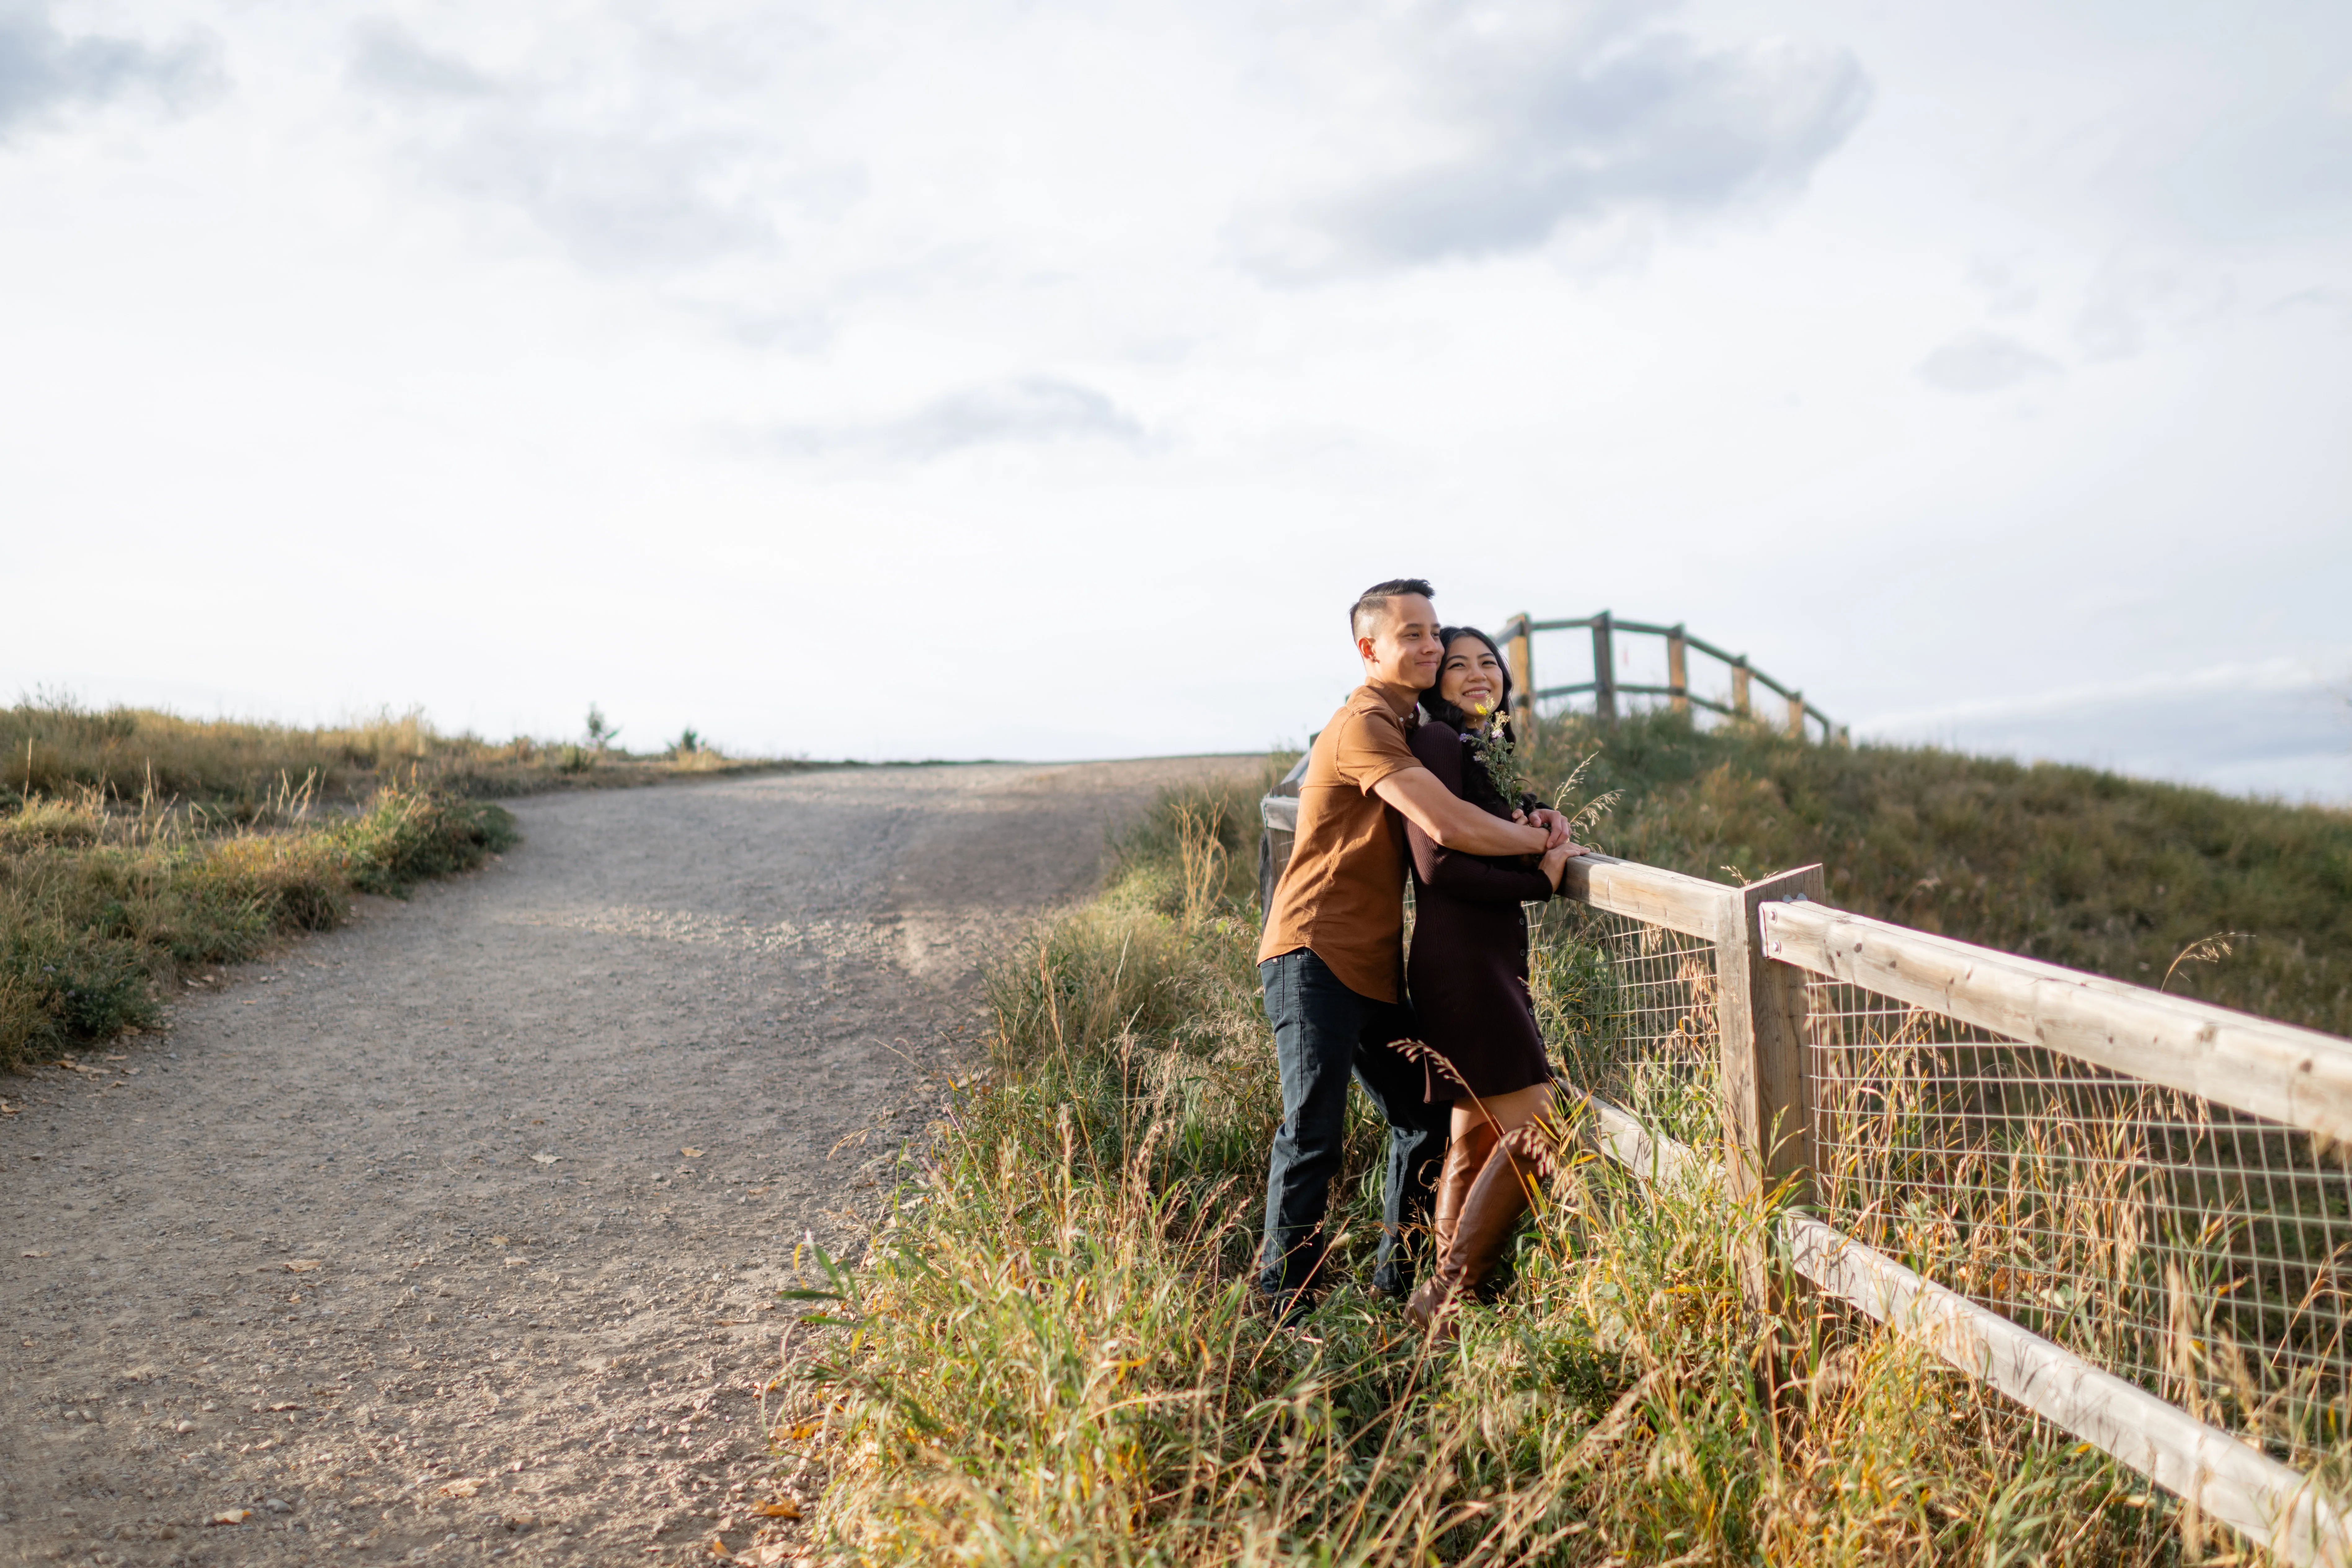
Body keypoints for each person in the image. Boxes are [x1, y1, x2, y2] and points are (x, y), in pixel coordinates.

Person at [1255, 580, 1570, 1321]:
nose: (1432, 647)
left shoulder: (1409, 723)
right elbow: (1446, 826)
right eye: (1414, 637)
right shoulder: (1366, 723)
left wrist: (1531, 814)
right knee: (1312, 1132)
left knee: (1423, 1119)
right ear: (1370, 649)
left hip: (1372, 966)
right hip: (1311, 956)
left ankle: (1401, 1287)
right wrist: (1543, 848)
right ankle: (1283, 1307)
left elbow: (1469, 799)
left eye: (1437, 633)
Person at [1401, 627, 1587, 1331]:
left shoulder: (1481, 748)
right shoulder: (1438, 744)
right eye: (1457, 666)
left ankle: (1439, 1312)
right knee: (1540, 1127)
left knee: (1474, 1136)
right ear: (1434, 681)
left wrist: (1543, 814)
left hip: (1481, 957)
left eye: (1489, 663)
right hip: (1464, 963)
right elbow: (1436, 863)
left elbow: (1492, 826)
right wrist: (1539, 880)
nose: (1478, 675)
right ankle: (1449, 1294)